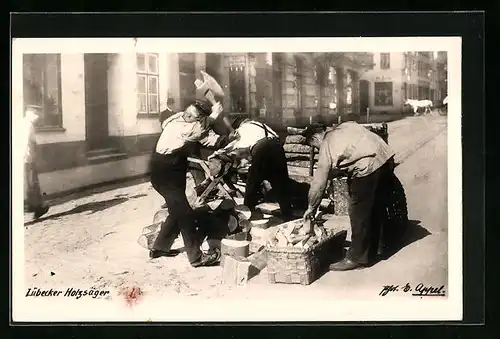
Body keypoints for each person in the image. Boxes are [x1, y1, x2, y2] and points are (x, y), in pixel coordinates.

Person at [301, 121, 396, 271]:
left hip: (368, 167)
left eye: (314, 146)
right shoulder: (346, 126)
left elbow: (318, 183)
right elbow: (353, 151)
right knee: (376, 207)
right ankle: (377, 249)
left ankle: (356, 258)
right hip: (385, 158)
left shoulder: (326, 143)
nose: (317, 149)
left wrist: (311, 208)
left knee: (358, 212)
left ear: (315, 138)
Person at [149, 100, 225, 267]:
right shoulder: (181, 126)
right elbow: (197, 131)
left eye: (193, 116)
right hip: (165, 174)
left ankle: (159, 248)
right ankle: (196, 258)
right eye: (187, 114)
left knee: (176, 211)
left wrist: (223, 140)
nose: (188, 116)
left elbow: (204, 137)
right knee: (185, 215)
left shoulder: (178, 118)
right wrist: (214, 115)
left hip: (172, 173)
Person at [208, 118, 293, 221]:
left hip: (262, 148)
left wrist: (216, 154)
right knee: (280, 181)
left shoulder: (242, 129)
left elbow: (231, 145)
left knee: (253, 182)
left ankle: (247, 212)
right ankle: (287, 213)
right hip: (278, 147)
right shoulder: (262, 125)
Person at [23, 106, 49, 219]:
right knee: (33, 182)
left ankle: (32, 205)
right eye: (36, 113)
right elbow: (31, 143)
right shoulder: (29, 126)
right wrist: (33, 157)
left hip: (21, 158)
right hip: (27, 158)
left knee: (29, 183)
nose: (38, 117)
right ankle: (37, 207)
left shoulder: (21, 123)